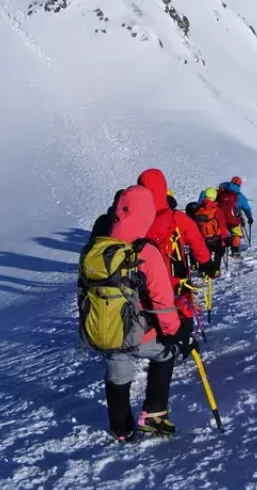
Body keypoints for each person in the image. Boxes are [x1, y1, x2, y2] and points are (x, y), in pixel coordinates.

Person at [83, 185, 195, 441]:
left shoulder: (96, 246)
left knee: (117, 371)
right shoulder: (144, 250)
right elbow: (162, 301)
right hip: (139, 332)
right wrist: (174, 332)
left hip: (104, 330)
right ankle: (154, 414)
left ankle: (120, 428)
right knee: (165, 354)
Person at [136, 169, 219, 321]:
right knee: (180, 314)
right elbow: (197, 242)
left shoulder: (135, 221)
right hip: (176, 282)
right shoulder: (177, 218)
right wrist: (207, 263)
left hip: (145, 283)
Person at [192, 187, 231, 270]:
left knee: (206, 255)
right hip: (216, 237)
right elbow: (222, 225)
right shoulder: (217, 210)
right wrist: (225, 237)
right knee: (219, 252)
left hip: (204, 238)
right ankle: (216, 269)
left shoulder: (200, 210)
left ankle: (204, 270)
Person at [217, 176, 253, 257]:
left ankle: (221, 249)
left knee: (221, 233)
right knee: (236, 233)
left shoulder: (221, 191)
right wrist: (249, 218)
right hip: (234, 219)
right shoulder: (239, 196)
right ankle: (235, 251)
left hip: (220, 217)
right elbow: (246, 208)